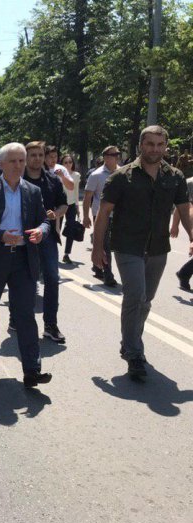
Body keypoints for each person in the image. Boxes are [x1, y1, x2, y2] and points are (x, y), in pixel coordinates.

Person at [93, 126, 193, 378]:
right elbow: (103, 214)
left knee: (146, 300)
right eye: (150, 144)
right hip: (127, 246)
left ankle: (130, 341)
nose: (155, 149)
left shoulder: (175, 176)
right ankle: (134, 352)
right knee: (135, 295)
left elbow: (184, 209)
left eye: (160, 145)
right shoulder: (121, 177)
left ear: (166, 147)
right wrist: (96, 248)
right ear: (141, 145)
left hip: (158, 248)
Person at [0, 142, 52, 388]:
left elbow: (44, 220)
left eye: (22, 161)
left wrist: (41, 231)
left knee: (25, 314)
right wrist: (0, 235)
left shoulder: (33, 191)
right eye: (13, 161)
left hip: (24, 259)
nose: (18, 166)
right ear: (1, 164)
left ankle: (32, 371)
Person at [21, 141, 68, 344]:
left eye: (40, 155)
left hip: (47, 236)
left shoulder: (52, 180)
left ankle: (50, 325)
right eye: (33, 155)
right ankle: (18, 317)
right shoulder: (17, 178)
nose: (37, 159)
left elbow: (64, 204)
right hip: (22, 236)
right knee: (23, 279)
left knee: (51, 278)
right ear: (26, 157)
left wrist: (55, 214)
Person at [83, 146, 120, 286]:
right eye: (112, 154)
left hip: (118, 215)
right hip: (100, 214)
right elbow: (87, 197)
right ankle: (108, 274)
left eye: (117, 154)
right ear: (105, 157)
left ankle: (97, 266)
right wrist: (86, 216)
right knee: (104, 244)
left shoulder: (122, 172)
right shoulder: (96, 175)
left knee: (112, 244)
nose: (116, 157)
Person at [172, 176, 193, 291]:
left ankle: (184, 273)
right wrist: (175, 225)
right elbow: (181, 206)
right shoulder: (190, 183)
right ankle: (184, 273)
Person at [60, 154, 81, 263]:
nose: (68, 164)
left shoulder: (76, 175)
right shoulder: (58, 175)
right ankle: (52, 253)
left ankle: (67, 254)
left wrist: (77, 206)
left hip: (71, 204)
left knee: (71, 228)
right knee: (56, 229)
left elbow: (76, 191)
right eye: (65, 162)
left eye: (70, 162)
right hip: (59, 204)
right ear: (62, 164)